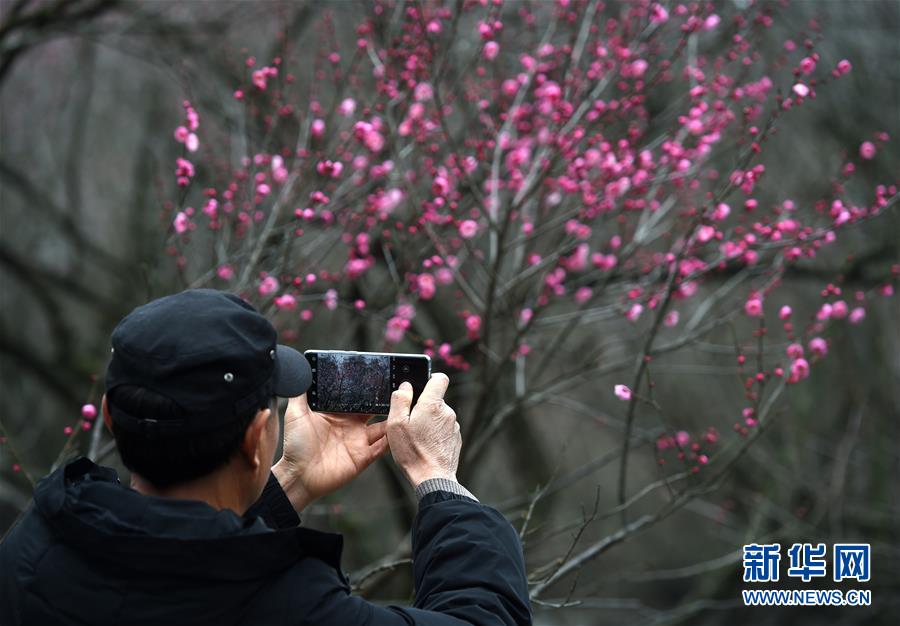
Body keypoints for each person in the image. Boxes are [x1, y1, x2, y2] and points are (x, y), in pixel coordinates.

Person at [0, 289, 531, 625]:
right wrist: (439, 481)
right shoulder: (288, 604)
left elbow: (171, 558)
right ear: (259, 437)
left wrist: (288, 485)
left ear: (111, 417)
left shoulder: (34, 545)